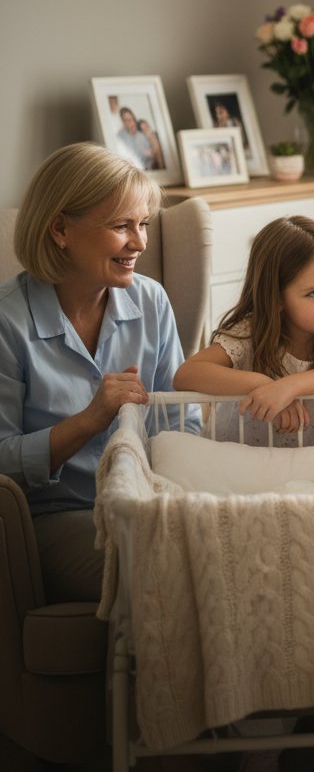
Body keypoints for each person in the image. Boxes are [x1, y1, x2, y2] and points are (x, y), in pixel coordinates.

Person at [0, 143, 189, 603]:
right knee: (161, 569)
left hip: (147, 501)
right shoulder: (8, 322)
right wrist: (90, 419)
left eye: (143, 224)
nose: (141, 243)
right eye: (122, 226)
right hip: (54, 519)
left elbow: (182, 422)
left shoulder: (152, 301)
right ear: (60, 229)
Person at [173, 215, 314, 442]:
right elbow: (186, 375)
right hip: (239, 456)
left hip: (311, 463)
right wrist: (263, 385)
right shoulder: (249, 333)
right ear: (277, 298)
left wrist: (288, 388)